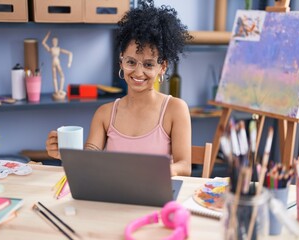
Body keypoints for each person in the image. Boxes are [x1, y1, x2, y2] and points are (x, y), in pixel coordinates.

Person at [45, 0, 193, 176]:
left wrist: (153, 172)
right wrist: (64, 154)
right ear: (121, 61)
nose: (138, 72)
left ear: (162, 67)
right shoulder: (105, 114)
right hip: (115, 198)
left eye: (148, 64)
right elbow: (88, 161)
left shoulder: (175, 109)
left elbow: (184, 166)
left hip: (155, 198)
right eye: (131, 62)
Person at [42, 31, 73, 100]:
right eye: (53, 41)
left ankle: (59, 90)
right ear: (53, 42)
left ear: (57, 42)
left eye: (55, 41)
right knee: (57, 77)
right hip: (55, 61)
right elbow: (43, 43)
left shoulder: (57, 49)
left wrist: (69, 62)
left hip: (54, 61)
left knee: (59, 76)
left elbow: (69, 53)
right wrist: (47, 35)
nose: (54, 42)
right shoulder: (52, 49)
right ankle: (58, 91)